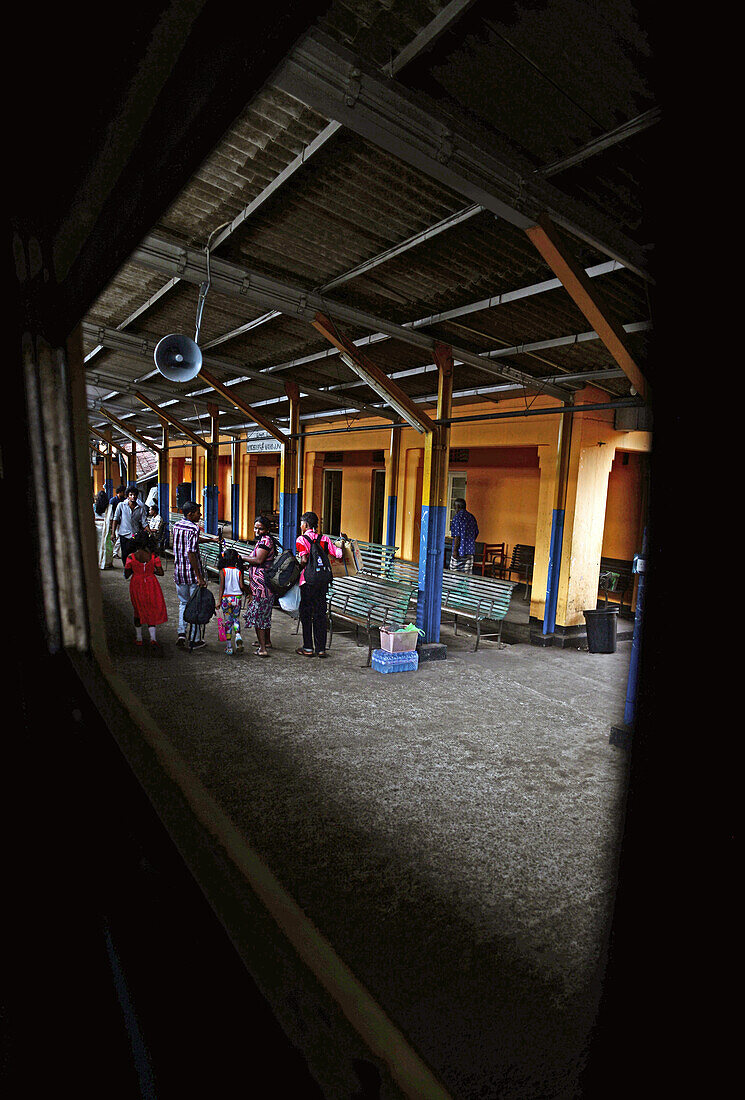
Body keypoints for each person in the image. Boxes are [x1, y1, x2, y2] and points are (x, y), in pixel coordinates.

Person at [295, 511, 343, 658]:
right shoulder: (325, 539)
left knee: (306, 614)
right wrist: (342, 542)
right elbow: (339, 554)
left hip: (307, 582)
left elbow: (303, 560)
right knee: (320, 614)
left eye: (302, 522)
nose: (301, 525)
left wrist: (296, 572)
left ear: (306, 525)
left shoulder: (301, 540)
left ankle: (308, 648)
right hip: (323, 582)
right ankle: (321, 648)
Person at [123, 531, 167, 654]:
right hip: (151, 583)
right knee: (151, 609)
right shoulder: (153, 557)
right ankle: (153, 638)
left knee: (137, 609)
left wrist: (135, 570)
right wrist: (150, 571)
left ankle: (139, 638)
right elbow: (161, 572)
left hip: (136, 584)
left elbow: (126, 574)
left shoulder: (131, 557)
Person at [172, 500, 208, 649]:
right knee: (195, 606)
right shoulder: (194, 528)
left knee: (183, 603)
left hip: (179, 572)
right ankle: (195, 639)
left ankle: (182, 633)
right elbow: (191, 551)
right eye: (197, 513)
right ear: (190, 514)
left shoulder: (177, 526)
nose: (200, 515)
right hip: (192, 574)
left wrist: (210, 539)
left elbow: (189, 543)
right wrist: (199, 577)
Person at [241, 515, 277, 657]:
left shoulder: (266, 541)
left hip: (262, 587)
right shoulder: (262, 540)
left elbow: (258, 559)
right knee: (264, 615)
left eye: (260, 529)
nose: (257, 531)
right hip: (259, 586)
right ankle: (266, 641)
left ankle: (262, 649)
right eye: (255, 528)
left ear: (267, 529)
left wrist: (241, 557)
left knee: (259, 616)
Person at [218, 548, 248, 656]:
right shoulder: (238, 571)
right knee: (236, 619)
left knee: (228, 622)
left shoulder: (223, 571)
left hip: (226, 598)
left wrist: (219, 601)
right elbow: (241, 586)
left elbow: (221, 587)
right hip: (237, 598)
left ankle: (229, 647)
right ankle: (238, 636)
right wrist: (249, 593)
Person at [113, 487, 146, 574]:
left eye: (135, 495)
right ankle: (127, 569)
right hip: (124, 534)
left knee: (134, 554)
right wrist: (113, 533)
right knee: (124, 554)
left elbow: (144, 522)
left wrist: (149, 532)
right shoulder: (121, 505)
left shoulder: (141, 508)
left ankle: (133, 569)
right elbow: (115, 519)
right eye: (131, 495)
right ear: (127, 496)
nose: (133, 497)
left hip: (135, 535)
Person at [449, 497, 479, 573]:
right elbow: (476, 532)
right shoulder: (472, 517)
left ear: (458, 507)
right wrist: (469, 542)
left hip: (459, 551)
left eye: (454, 507)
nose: (454, 509)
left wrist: (455, 551)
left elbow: (457, 536)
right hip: (470, 551)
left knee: (454, 575)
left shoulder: (457, 518)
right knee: (467, 575)